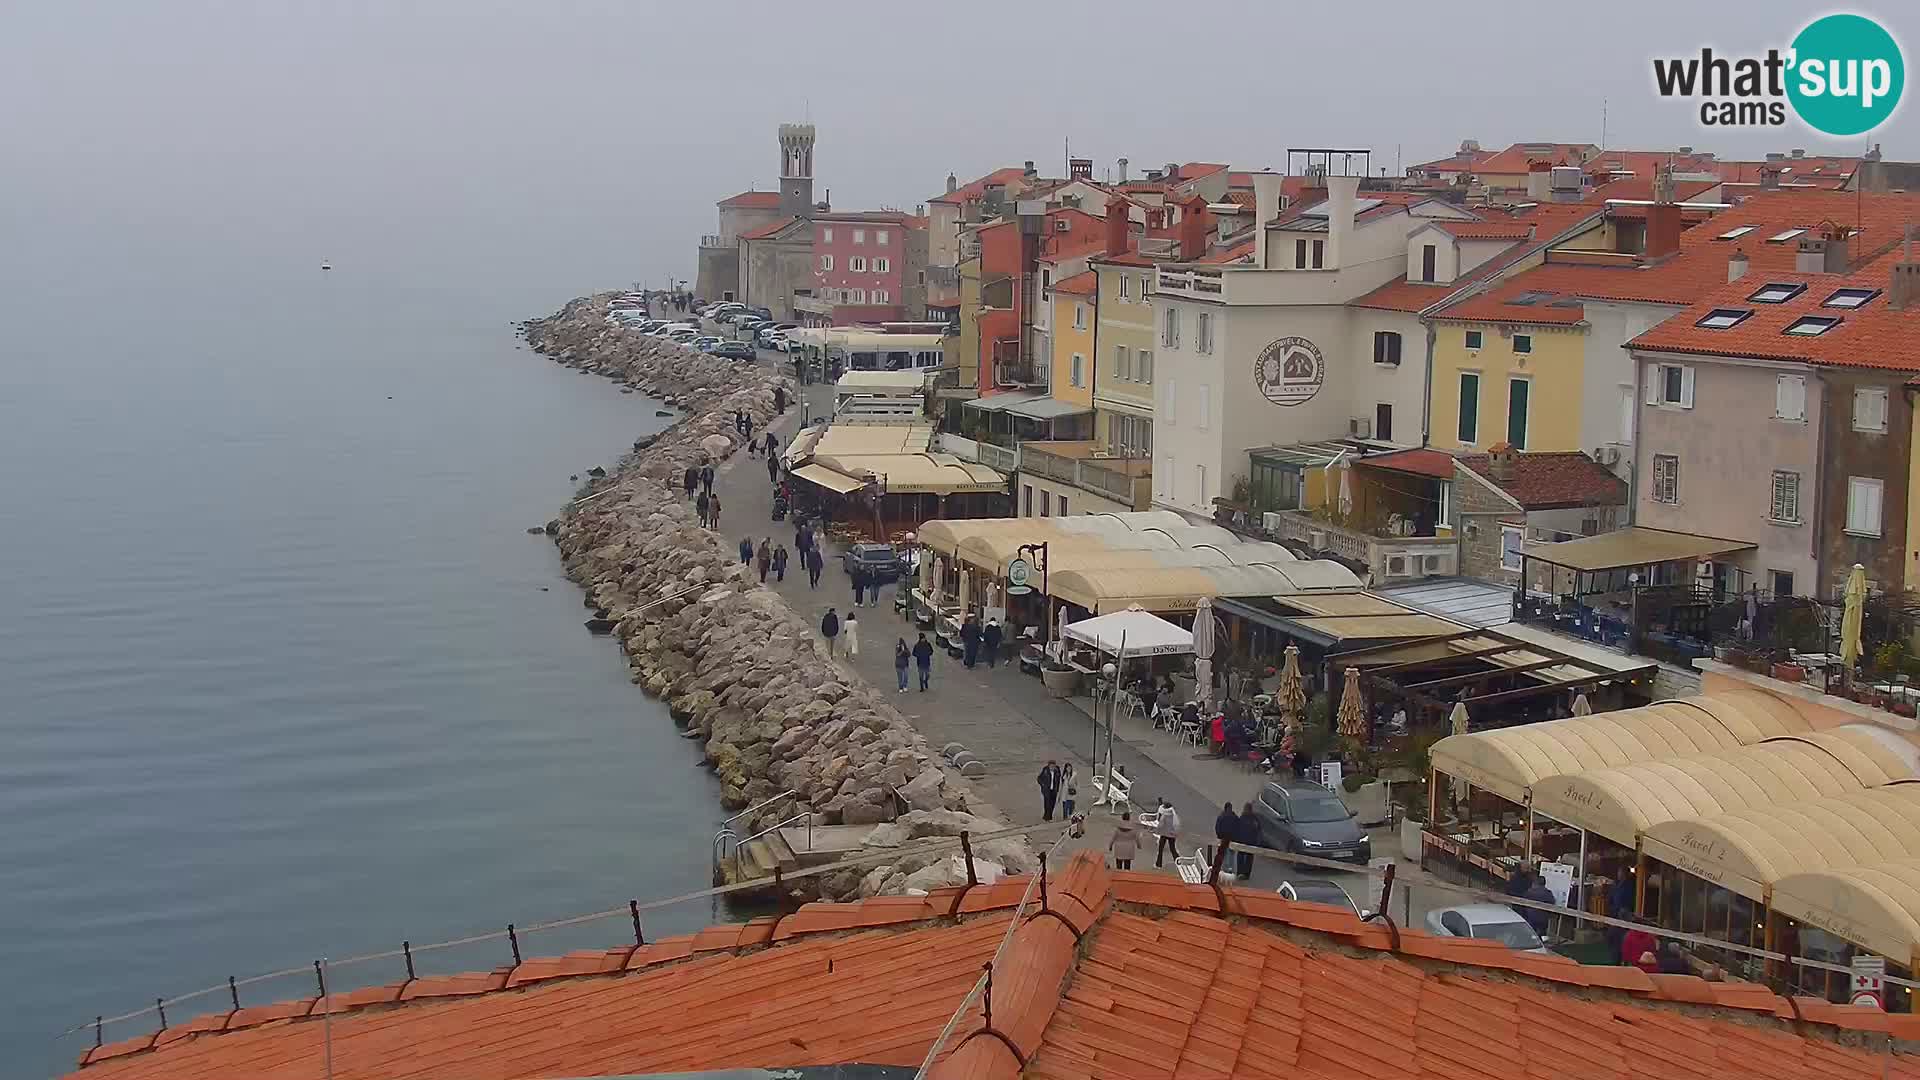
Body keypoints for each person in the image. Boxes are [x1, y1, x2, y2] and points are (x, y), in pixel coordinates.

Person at [1236, 803, 1262, 881]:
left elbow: (1238, 829)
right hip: (1251, 842)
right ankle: (1246, 874)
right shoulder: (1255, 819)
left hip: (1242, 841)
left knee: (1240, 857)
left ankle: (1240, 872)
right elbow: (1258, 830)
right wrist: (1257, 842)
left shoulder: (1242, 818)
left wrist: (1237, 839)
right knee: (1249, 858)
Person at [1153, 798, 1181, 868]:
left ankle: (1158, 864)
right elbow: (1177, 824)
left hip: (1164, 834)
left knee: (1160, 849)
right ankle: (1177, 860)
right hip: (1172, 834)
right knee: (1172, 848)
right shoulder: (1174, 814)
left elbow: (1160, 825)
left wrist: (1156, 831)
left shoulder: (1164, 816)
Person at [1213, 802, 1239, 872]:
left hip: (1223, 839)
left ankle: (1223, 869)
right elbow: (1238, 828)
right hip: (1232, 839)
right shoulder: (1235, 817)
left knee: (1223, 854)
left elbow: (1217, 827)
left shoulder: (1221, 816)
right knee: (1231, 855)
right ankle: (1230, 869)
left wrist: (1219, 836)